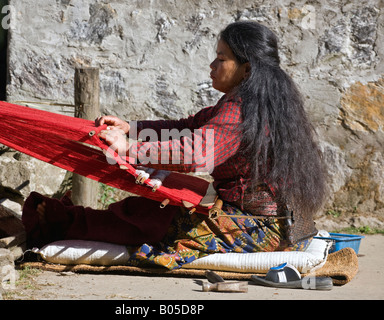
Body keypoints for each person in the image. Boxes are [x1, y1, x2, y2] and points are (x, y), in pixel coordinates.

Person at [22, 21, 326, 270]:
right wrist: (133, 128)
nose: (212, 65)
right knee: (149, 210)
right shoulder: (258, 101)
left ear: (247, 69)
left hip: (259, 230)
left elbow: (198, 153)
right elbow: (190, 125)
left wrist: (129, 148)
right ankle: (69, 220)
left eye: (221, 59)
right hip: (276, 222)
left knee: (152, 218)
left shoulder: (242, 110)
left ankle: (63, 223)